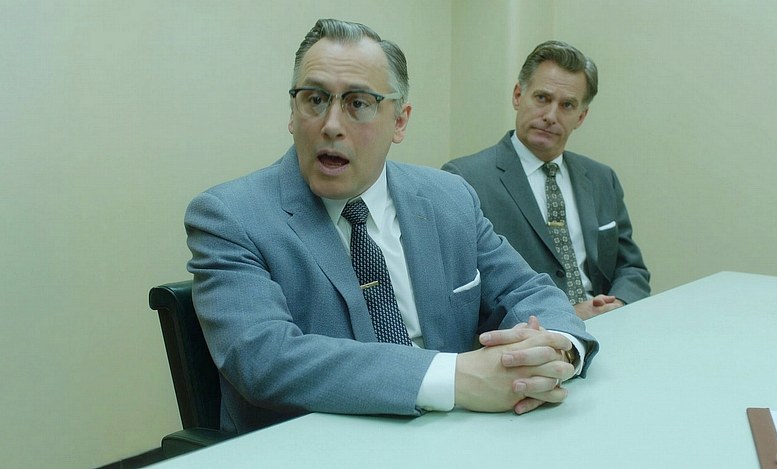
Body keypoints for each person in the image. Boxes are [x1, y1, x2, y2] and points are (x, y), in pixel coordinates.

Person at [185, 19, 599, 435]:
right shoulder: (230, 216)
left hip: (459, 434)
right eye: (315, 99)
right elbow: (264, 358)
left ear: (400, 121)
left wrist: (557, 352)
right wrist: (456, 379)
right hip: (320, 444)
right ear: (293, 112)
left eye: (358, 103)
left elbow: (527, 290)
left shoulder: (449, 197)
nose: (331, 124)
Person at [443, 40, 650, 320]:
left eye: (567, 105)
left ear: (581, 116)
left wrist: (618, 306)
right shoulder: (464, 179)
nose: (551, 116)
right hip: (526, 333)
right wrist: (563, 315)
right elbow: (461, 293)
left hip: (609, 325)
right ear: (518, 96)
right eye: (542, 98)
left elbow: (631, 269)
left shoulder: (602, 179)